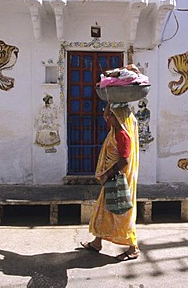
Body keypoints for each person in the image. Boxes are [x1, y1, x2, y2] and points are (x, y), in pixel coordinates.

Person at [80, 102, 140, 261]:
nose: (108, 117)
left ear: (119, 117)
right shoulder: (115, 130)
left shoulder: (122, 134)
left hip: (117, 179)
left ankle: (133, 248)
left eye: (112, 115)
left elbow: (124, 160)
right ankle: (97, 243)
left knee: (122, 214)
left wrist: (108, 173)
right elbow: (105, 114)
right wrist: (110, 100)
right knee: (103, 210)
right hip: (111, 178)